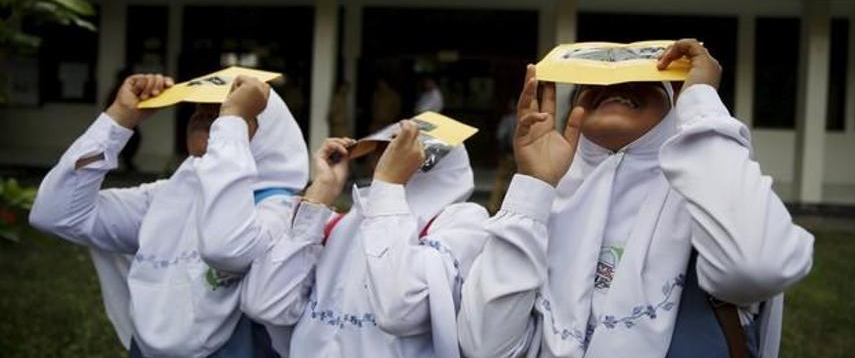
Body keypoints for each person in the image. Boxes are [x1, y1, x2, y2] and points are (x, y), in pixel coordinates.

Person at [458, 39, 814, 358]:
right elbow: (485, 347)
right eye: (597, 82)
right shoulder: (542, 210)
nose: (620, 82)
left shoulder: (710, 203)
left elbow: (759, 266)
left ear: (675, 110)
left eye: (646, 78)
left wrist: (702, 104)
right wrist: (534, 186)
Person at [29, 73, 308, 358]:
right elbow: (55, 213)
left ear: (267, 132)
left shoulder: (280, 211)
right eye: (201, 108)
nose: (206, 116)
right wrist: (120, 118)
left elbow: (226, 248)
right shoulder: (169, 197)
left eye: (225, 110)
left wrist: (231, 124)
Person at [240, 121, 489, 357]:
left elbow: (398, 311)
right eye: (381, 150)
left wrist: (389, 187)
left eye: (394, 150)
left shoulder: (461, 223)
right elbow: (263, 303)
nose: (381, 161)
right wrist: (319, 195)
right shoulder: (343, 223)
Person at [488, 99, 517, 214]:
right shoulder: (527, 119)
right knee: (516, 181)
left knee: (500, 180)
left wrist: (501, 152)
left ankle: (493, 206)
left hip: (509, 153)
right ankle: (513, 208)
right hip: (520, 155)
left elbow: (501, 136)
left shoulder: (507, 120)